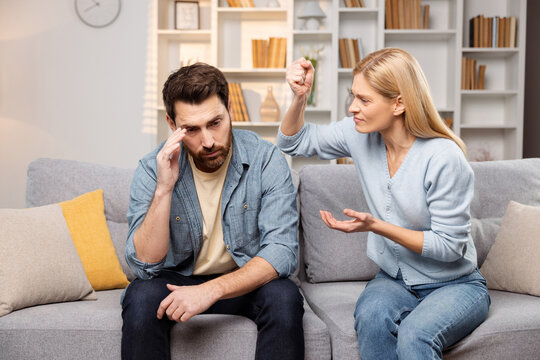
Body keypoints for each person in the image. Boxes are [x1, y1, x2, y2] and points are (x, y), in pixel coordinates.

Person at [277, 48, 490, 359]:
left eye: (364, 100)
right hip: (395, 279)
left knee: (415, 335)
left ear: (399, 103)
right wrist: (299, 98)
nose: (352, 108)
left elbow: (449, 246)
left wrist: (377, 226)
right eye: (353, 96)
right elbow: (292, 142)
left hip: (455, 284)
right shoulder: (359, 135)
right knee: (371, 316)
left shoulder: (443, 158)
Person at [121, 62, 304, 360]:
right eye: (191, 129)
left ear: (230, 109)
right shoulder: (152, 167)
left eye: (215, 123)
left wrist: (211, 290)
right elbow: (143, 265)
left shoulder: (265, 158)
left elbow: (282, 251)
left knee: (284, 296)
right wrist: (164, 189)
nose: (207, 141)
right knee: (141, 297)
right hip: (178, 280)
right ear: (171, 124)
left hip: (244, 280)